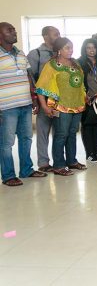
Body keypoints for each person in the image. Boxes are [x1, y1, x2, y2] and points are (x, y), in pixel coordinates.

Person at [0, 22, 47, 186]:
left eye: (14, 29)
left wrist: (33, 98)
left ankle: (26, 169)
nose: (14, 32)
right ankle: (8, 176)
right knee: (7, 143)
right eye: (9, 30)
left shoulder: (20, 53)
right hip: (6, 107)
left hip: (25, 104)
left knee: (26, 138)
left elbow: (28, 76)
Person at [36, 37, 87, 176]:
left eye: (72, 47)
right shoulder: (51, 65)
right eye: (67, 48)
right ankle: (59, 165)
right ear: (59, 50)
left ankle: (72, 161)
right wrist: (44, 106)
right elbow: (40, 87)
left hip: (77, 105)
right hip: (60, 106)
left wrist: (84, 96)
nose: (71, 50)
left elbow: (80, 83)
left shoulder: (75, 63)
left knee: (72, 133)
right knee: (61, 134)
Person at [27, 25, 60, 172]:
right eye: (55, 34)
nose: (58, 36)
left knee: (59, 131)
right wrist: (35, 99)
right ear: (45, 36)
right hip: (44, 98)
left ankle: (59, 160)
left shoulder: (61, 52)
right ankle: (43, 163)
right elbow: (31, 77)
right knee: (43, 131)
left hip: (59, 98)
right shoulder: (36, 54)